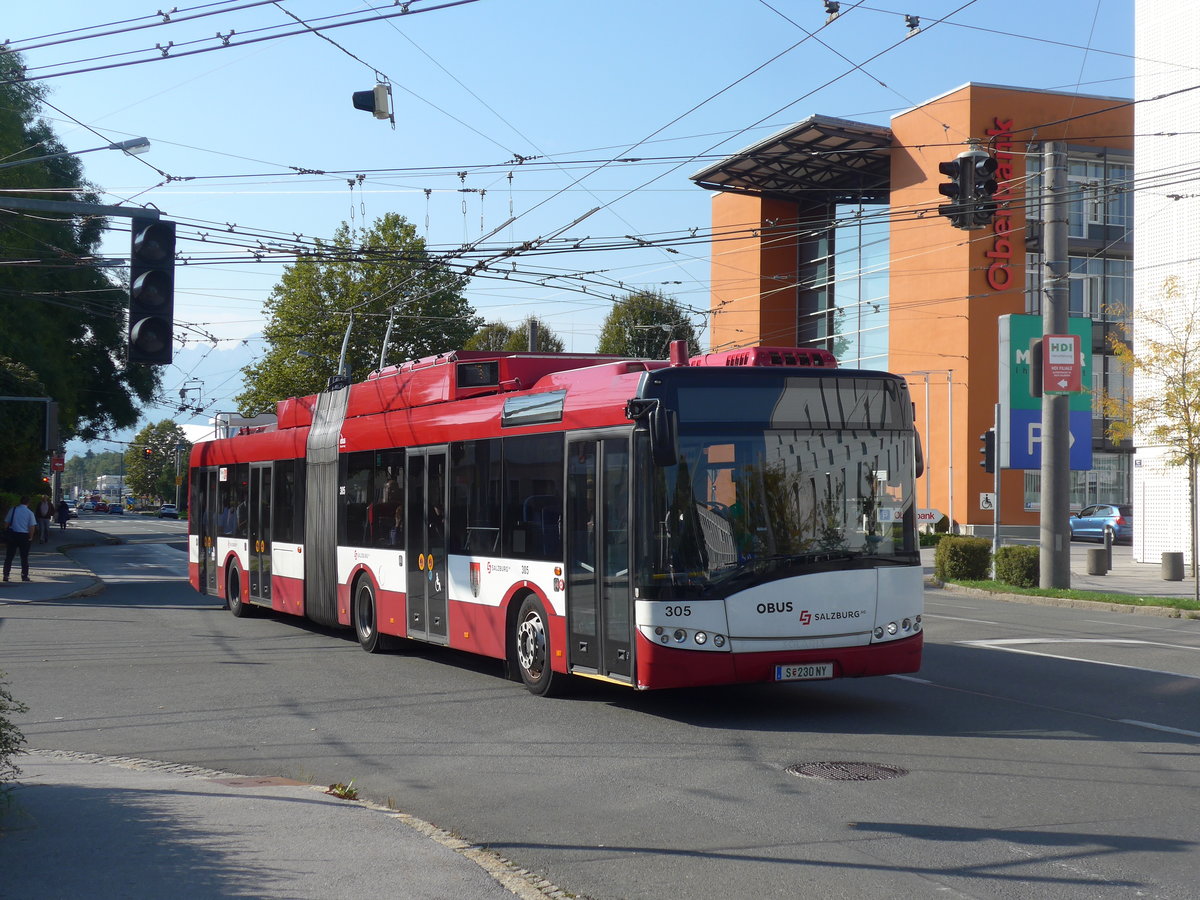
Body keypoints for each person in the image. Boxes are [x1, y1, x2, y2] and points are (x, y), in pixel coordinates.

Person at [4, 496, 37, 582]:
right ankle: (24, 575)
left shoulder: (13, 510)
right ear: (28, 503)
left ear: (20, 502)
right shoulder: (30, 513)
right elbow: (32, 526)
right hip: (24, 536)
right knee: (24, 557)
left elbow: (6, 523)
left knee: (9, 556)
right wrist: (31, 537)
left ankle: (6, 574)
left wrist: (6, 532)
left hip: (13, 535)